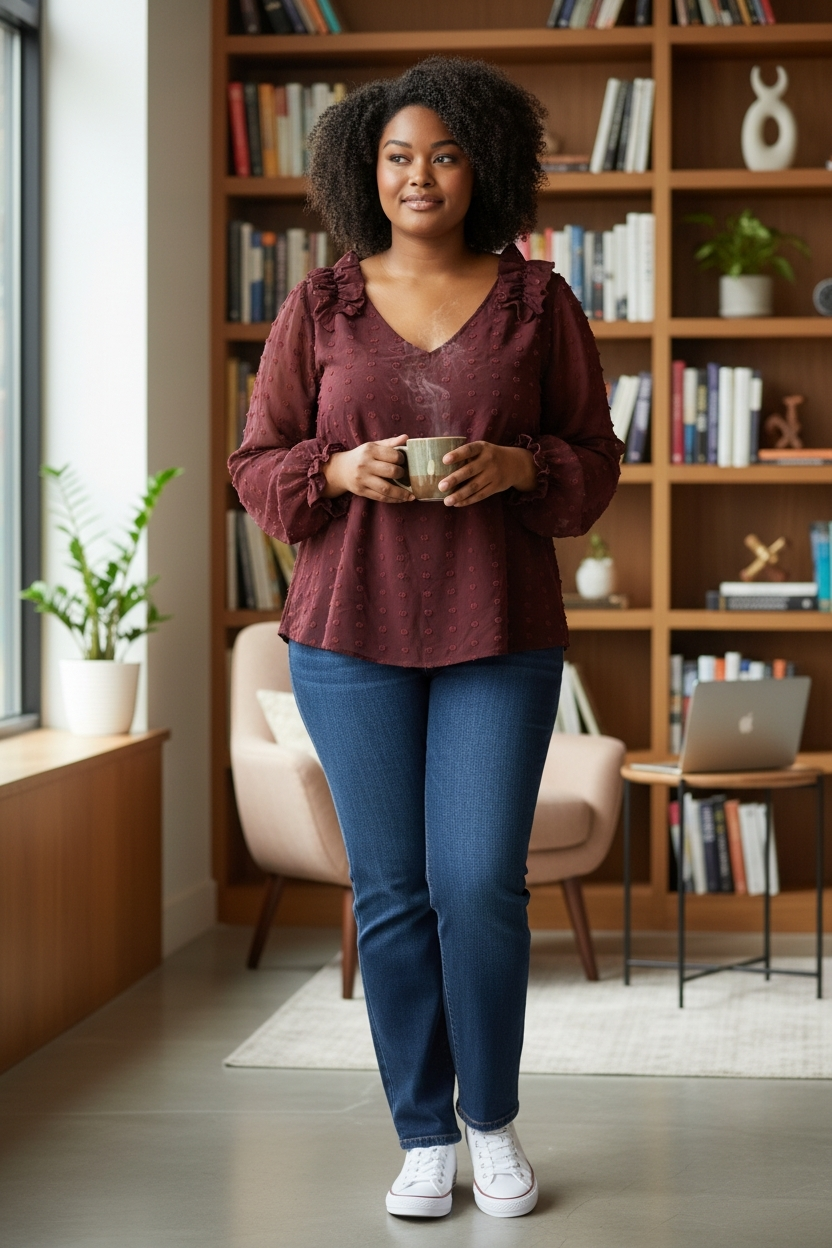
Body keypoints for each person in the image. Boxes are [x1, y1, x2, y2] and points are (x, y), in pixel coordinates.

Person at [229, 56, 623, 1220]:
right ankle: (421, 1138)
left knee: (478, 885)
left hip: (496, 633)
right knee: (391, 891)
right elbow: (257, 464)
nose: (419, 174)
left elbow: (595, 460)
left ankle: (490, 1121)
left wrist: (517, 466)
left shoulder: (539, 303)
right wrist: (337, 467)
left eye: (443, 153)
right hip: (345, 639)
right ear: (365, 169)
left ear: (482, 167)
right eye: (397, 154)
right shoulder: (319, 305)